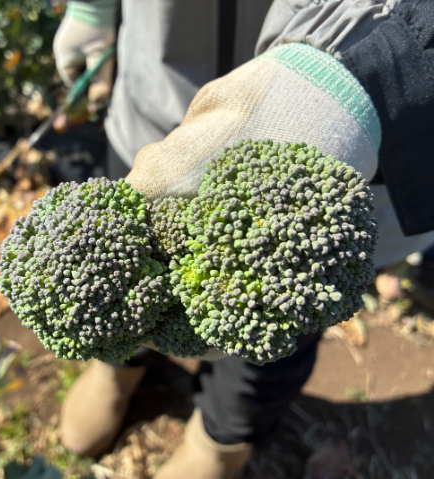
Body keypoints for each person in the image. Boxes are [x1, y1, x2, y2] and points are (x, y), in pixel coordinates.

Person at [52, 1, 434, 477]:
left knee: (279, 312)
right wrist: (93, 7)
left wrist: (370, 56)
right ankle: (119, 363)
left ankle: (222, 436)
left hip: (354, 131)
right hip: (160, 80)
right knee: (131, 248)